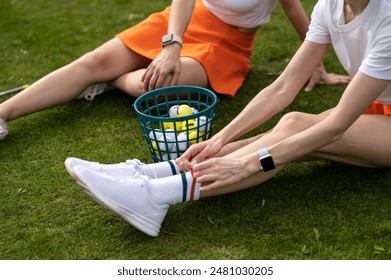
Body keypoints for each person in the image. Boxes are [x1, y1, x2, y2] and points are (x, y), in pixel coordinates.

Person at [65, 0, 391, 237]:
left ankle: (157, 195)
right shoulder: (330, 6)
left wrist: (249, 164)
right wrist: (220, 138)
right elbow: (281, 89)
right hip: (379, 109)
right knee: (276, 133)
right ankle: (155, 175)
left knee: (293, 129)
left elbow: (336, 127)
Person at [0, 0, 350, 141]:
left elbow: (295, 10)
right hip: (184, 21)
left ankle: (112, 79)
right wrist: (172, 44)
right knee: (93, 61)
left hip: (226, 45)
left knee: (153, 88)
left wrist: (315, 66)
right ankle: (4, 114)